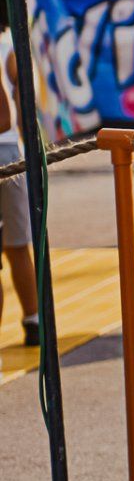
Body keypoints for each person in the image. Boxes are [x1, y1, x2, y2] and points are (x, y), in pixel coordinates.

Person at [0, 50, 38, 348]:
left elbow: (5, 117)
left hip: (7, 153)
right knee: (16, 246)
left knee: (16, 246)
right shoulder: (10, 46)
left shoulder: (8, 46)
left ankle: (33, 318)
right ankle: (33, 319)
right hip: (11, 151)